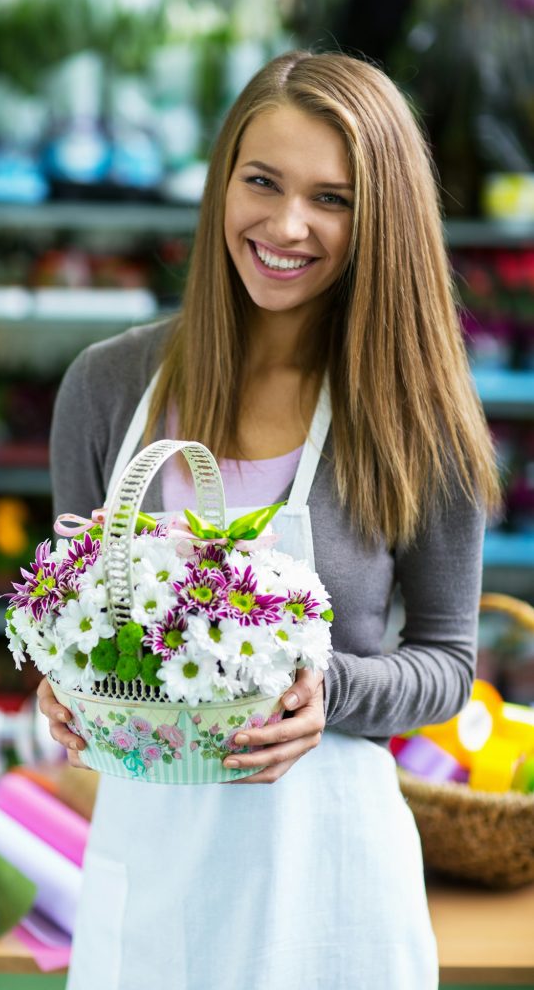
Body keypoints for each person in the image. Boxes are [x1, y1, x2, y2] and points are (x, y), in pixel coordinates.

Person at [37, 50, 500, 990]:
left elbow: (449, 665)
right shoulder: (108, 388)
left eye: (332, 199)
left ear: (382, 222)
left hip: (330, 889)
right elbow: (80, 611)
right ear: (223, 184)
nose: (287, 226)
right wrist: (67, 685)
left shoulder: (416, 416)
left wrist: (328, 690)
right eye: (263, 181)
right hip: (154, 884)